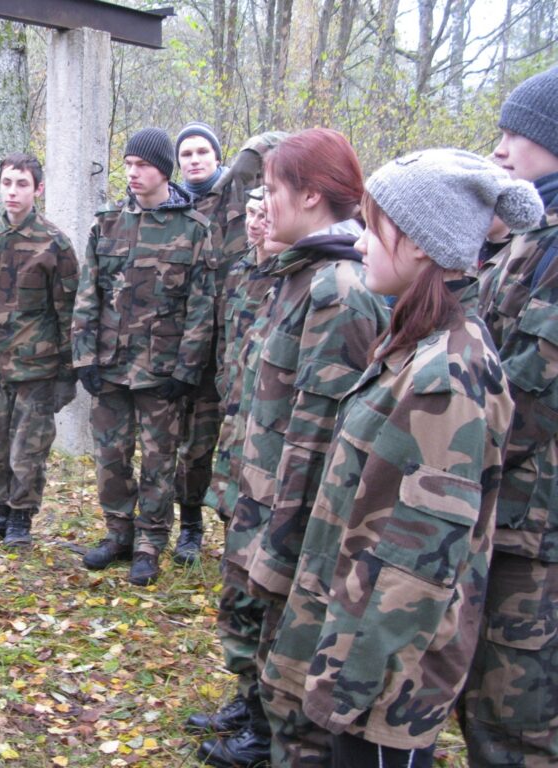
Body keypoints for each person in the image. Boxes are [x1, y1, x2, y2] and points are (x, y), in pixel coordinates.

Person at [264, 149, 535, 767]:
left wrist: (352, 687)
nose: (359, 245)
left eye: (373, 227)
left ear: (417, 245)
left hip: (386, 685)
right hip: (363, 654)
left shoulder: (445, 375)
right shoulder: (415, 348)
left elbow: (419, 566)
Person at [205, 129, 390, 767]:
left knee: (292, 671)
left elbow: (321, 440)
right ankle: (259, 722)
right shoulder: (301, 274)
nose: (261, 205)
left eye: (274, 191)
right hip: (262, 502)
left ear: (311, 195)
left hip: (295, 524)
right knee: (260, 645)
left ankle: (274, 738)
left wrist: (282, 542)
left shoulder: (338, 288)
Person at [462, 64, 558, 767]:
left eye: (516, 135)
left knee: (517, 722)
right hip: (502, 512)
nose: (499, 150)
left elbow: (527, 402)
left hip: (536, 532)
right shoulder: (527, 236)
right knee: (482, 703)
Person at [72, 127, 217, 586]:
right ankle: (119, 533)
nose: (133, 173)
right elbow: (87, 294)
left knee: (159, 460)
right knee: (111, 456)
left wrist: (187, 368)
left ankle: (151, 542)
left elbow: (202, 305)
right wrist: (84, 357)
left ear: (163, 171)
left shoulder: (193, 229)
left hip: (162, 368)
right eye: (129, 164)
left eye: (143, 166)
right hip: (111, 365)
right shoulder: (107, 223)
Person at [184, 188, 289, 743]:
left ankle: (263, 715)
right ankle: (248, 700)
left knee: (263, 591)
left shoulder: (316, 287)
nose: (254, 224)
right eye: (248, 214)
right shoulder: (245, 275)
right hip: (239, 441)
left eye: (264, 213)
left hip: (275, 467)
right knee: (240, 585)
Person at [171, 124, 284, 566]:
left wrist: (244, 159)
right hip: (195, 347)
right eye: (186, 154)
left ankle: (237, 535)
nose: (195, 160)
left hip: (242, 341)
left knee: (242, 445)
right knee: (193, 446)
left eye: (203, 151)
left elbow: (277, 143)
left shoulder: (239, 195)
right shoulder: (175, 208)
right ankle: (190, 529)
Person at [0, 153, 79, 549]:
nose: (13, 192)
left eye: (22, 184)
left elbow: (69, 312)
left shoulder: (54, 243)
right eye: (8, 183)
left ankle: (20, 522)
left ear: (38, 189)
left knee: (27, 450)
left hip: (38, 368)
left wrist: (68, 371)